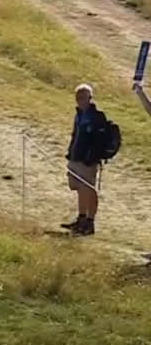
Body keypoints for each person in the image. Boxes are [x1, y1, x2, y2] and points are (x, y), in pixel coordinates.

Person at [61, 83, 118, 237]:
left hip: (88, 161)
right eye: (77, 97)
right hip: (76, 157)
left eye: (83, 97)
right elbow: (75, 135)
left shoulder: (97, 117)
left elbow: (99, 141)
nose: (80, 100)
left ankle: (89, 222)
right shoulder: (79, 114)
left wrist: (92, 157)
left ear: (90, 98)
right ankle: (81, 219)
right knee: (78, 188)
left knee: (88, 189)